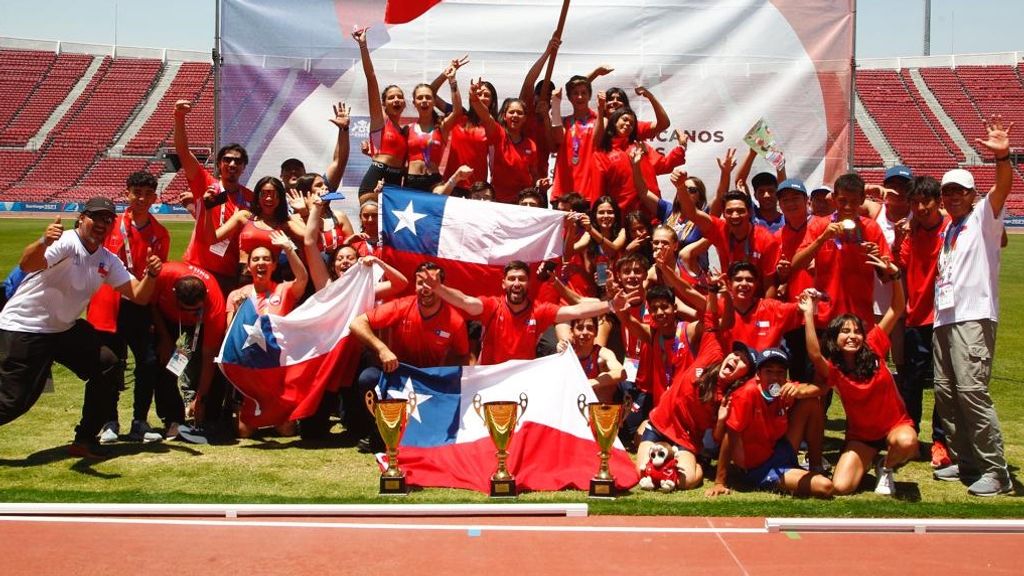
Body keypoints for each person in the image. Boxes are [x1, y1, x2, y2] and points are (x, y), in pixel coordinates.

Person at [0, 198, 162, 458]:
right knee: (13, 402)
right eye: (95, 217)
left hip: (63, 328)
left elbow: (139, 296)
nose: (101, 223)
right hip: (26, 327)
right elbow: (27, 265)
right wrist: (44, 241)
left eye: (107, 219)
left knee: (107, 364)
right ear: (81, 219)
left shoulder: (107, 259)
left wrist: (151, 275)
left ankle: (85, 439)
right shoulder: (65, 242)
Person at [931, 116, 1014, 497]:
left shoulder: (983, 217)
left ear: (972, 194)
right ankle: (967, 461)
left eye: (959, 192)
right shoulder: (949, 227)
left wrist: (1002, 157)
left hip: (973, 317)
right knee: (947, 394)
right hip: (945, 318)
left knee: (971, 391)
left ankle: (996, 471)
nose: (952, 197)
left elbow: (1002, 188)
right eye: (947, 192)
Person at [802, 259, 917, 497]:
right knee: (841, 487)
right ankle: (869, 459)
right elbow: (814, 354)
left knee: (907, 442)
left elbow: (896, 308)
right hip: (862, 437)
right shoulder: (834, 370)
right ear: (835, 339)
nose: (852, 336)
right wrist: (808, 314)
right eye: (845, 331)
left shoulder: (874, 345)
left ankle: (886, 466)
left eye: (856, 331)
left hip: (894, 427)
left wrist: (895, 277)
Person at [86, 172, 171, 444]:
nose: (141, 198)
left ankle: (139, 422)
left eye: (147, 194)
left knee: (147, 362)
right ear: (127, 194)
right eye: (137, 192)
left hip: (139, 305)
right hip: (108, 303)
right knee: (110, 363)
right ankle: (109, 421)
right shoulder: (111, 226)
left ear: (155, 198)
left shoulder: (160, 234)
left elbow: (155, 278)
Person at [431, 260, 631, 365]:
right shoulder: (492, 306)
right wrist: (439, 288)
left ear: (528, 284)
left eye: (521, 279)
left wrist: (611, 305)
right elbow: (465, 301)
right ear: (503, 283)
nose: (516, 283)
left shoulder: (539, 310)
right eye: (512, 279)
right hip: (491, 379)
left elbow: (576, 310)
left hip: (524, 380)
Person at [707, 347, 833, 499]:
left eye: (780, 372)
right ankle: (793, 475)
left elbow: (823, 388)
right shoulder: (747, 394)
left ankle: (816, 466)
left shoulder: (783, 387)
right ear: (758, 375)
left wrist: (801, 391)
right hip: (760, 467)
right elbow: (730, 436)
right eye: (769, 371)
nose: (775, 377)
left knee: (811, 402)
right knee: (825, 486)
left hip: (778, 450)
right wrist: (719, 482)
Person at [225, 232, 308, 438]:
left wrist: (288, 248)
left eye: (266, 259)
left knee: (287, 431)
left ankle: (278, 412)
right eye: (256, 259)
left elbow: (303, 279)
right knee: (243, 433)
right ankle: (244, 409)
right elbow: (229, 337)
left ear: (274, 265)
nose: (261, 263)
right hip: (251, 374)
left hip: (277, 373)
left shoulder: (284, 290)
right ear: (248, 267)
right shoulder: (237, 295)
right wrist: (237, 312)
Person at [893, 175, 950, 467]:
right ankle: (911, 435)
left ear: (938, 201)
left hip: (945, 317)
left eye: (925, 201)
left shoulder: (951, 227)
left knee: (943, 383)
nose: (920, 208)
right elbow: (899, 264)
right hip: (916, 316)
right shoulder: (911, 232)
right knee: (912, 382)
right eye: (914, 203)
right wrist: (898, 238)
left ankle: (941, 441)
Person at [792, 172, 892, 330]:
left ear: (862, 199)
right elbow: (796, 264)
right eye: (842, 200)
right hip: (825, 318)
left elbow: (886, 277)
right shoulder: (819, 226)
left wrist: (878, 258)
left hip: (859, 320)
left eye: (854, 201)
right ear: (833, 198)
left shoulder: (871, 228)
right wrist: (822, 239)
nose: (848, 207)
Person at [173, 99, 252, 295]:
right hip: (197, 267)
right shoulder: (205, 184)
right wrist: (179, 117)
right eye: (227, 160)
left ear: (243, 167)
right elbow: (183, 152)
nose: (232, 164)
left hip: (228, 273)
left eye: (238, 161)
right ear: (219, 164)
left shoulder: (250, 198)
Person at [150, 262, 228, 443]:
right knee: (161, 363)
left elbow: (210, 355)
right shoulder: (164, 274)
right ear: (174, 294)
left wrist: (200, 398)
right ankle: (172, 419)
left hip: (202, 325)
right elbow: (150, 304)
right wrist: (164, 338)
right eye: (185, 309)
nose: (190, 314)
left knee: (216, 367)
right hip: (166, 317)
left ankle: (208, 418)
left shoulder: (214, 305)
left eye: (196, 310)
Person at [671, 168, 781, 295]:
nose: (735, 216)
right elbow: (692, 213)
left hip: (757, 300)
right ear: (723, 214)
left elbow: (769, 285)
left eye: (740, 211)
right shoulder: (720, 229)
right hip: (729, 297)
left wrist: (764, 308)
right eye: (729, 211)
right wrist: (680, 187)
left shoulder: (767, 240)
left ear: (750, 213)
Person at [352, 26, 408, 196]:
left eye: (400, 96)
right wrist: (363, 45)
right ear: (383, 104)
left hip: (396, 183)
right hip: (376, 177)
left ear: (405, 103)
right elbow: (371, 78)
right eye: (391, 97)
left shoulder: (405, 132)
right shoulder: (380, 120)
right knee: (370, 214)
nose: (396, 99)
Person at [467, 81, 538, 204]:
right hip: (500, 201)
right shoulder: (498, 134)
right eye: (511, 112)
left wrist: (539, 184)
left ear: (525, 118)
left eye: (520, 113)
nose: (515, 115)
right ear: (504, 116)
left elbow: (534, 175)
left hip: (521, 203)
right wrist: (474, 98)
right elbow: (485, 116)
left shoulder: (531, 144)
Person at [557, 317, 625, 403]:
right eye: (580, 328)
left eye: (589, 328)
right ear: (572, 332)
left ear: (596, 332)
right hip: (570, 400)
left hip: (595, 402)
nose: (585, 332)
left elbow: (621, 373)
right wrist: (560, 355)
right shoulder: (566, 351)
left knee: (604, 376)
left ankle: (599, 411)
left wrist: (592, 382)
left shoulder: (602, 352)